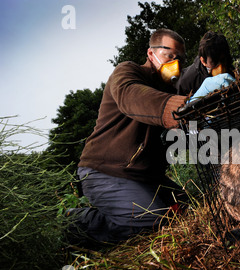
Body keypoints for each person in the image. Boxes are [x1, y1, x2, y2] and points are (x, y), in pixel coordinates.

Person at [67, 29, 189, 246]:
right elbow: (130, 96)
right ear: (151, 54)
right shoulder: (127, 72)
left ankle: (126, 210)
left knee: (188, 211)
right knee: (152, 223)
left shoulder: (171, 90)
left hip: (146, 177)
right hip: (105, 171)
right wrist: (177, 108)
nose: (175, 64)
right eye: (169, 55)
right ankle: (79, 223)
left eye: (179, 59)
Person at [176, 31, 235, 96]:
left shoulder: (229, 68)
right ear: (203, 61)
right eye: (214, 62)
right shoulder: (187, 80)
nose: (220, 66)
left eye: (222, 60)